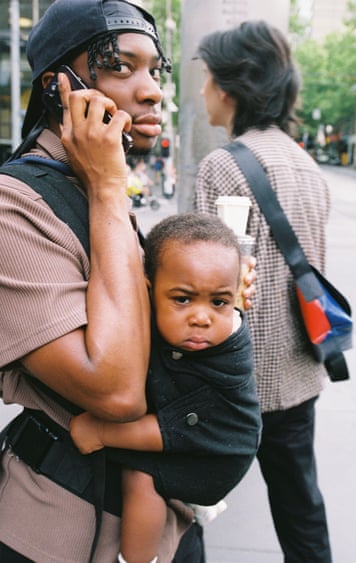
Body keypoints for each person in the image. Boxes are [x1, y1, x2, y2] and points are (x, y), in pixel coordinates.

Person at [0, 1, 214, 561]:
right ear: (58, 88)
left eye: (154, 70)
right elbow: (115, 389)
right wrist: (108, 185)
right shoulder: (14, 205)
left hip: (162, 519)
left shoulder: (91, 183)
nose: (151, 92)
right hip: (61, 528)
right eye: (121, 66)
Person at [194, 20, 332, 562]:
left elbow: (209, 288)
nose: (202, 91)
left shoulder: (222, 166)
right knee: (301, 506)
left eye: (206, 78)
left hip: (234, 378)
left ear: (229, 87)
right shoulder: (307, 163)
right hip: (299, 372)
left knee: (188, 500)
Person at [70, 212, 262, 563]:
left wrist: (99, 431)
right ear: (147, 292)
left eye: (218, 302)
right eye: (183, 299)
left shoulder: (227, 357)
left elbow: (171, 428)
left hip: (217, 450)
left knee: (143, 479)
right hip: (191, 430)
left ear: (233, 297)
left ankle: (139, 559)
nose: (201, 318)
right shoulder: (162, 321)